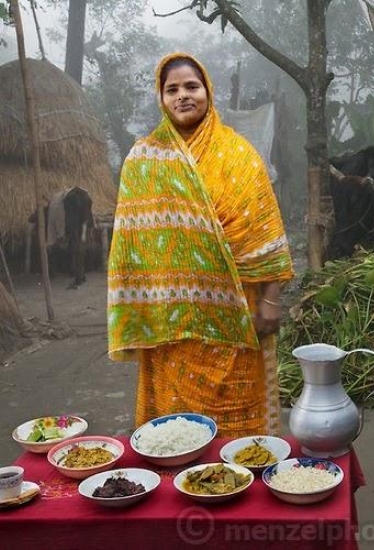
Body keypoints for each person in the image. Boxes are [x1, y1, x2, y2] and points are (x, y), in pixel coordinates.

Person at [107, 53, 294, 438]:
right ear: (161, 99)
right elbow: (131, 251)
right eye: (171, 89)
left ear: (208, 90)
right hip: (170, 325)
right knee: (174, 432)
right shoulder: (142, 161)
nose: (182, 96)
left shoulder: (240, 155)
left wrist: (272, 301)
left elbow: (266, 233)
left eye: (191, 86)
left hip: (239, 316)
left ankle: (245, 485)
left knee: (241, 431)